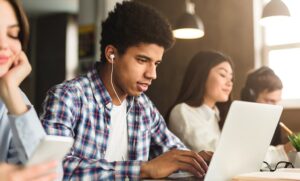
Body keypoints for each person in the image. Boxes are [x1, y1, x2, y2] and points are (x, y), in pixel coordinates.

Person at [40, 1, 212, 180]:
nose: (152, 74)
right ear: (111, 54)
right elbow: (52, 167)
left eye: (156, 63)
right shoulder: (67, 97)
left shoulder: (143, 107)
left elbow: (173, 155)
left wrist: (198, 160)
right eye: (142, 60)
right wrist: (143, 169)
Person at [0, 0, 58, 180]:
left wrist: (10, 90)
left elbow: (50, 173)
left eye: (13, 34)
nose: (4, 44)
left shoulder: (11, 98)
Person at [168, 51, 234, 152]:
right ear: (202, 75)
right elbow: (207, 153)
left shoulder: (219, 115)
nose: (229, 83)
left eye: (231, 78)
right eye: (223, 75)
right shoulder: (183, 111)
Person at [241, 66, 294, 166]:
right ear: (250, 97)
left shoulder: (274, 120)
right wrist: (283, 151)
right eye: (269, 101)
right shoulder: (240, 122)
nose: (274, 108)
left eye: (276, 102)